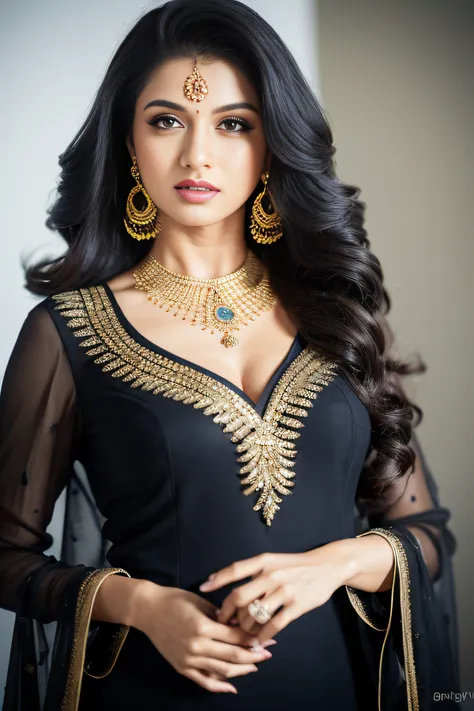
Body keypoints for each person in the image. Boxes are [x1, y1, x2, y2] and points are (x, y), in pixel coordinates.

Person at [0, 0, 460, 709]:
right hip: (151, 690)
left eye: (234, 124)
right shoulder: (67, 332)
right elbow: (6, 555)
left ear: (272, 142)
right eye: (165, 121)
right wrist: (143, 605)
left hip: (334, 687)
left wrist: (333, 565)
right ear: (129, 140)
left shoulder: (336, 311)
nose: (197, 155)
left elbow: (426, 534)